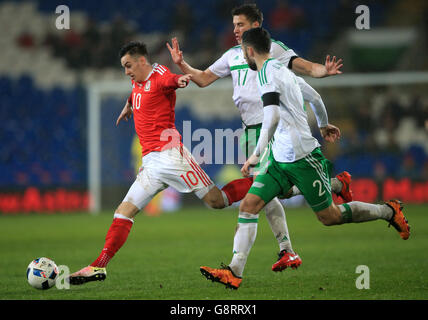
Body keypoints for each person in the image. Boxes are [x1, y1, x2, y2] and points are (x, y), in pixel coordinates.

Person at [199, 27, 410, 289]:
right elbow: (315, 96)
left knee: (329, 217)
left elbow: (273, 116)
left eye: (244, 53)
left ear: (250, 51)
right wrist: (323, 123)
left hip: (302, 157)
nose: (244, 57)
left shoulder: (266, 75)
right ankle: (234, 271)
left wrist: (254, 155)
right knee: (249, 206)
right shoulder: (281, 69)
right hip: (278, 157)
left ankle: (388, 211)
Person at [167, 3, 351, 272]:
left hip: (273, 128)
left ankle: (279, 252)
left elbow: (304, 67)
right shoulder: (232, 55)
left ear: (256, 25)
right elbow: (204, 79)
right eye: (233, 25)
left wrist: (322, 71)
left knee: (262, 193)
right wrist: (183, 64)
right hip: (250, 132)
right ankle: (332, 187)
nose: (235, 30)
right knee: (276, 191)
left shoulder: (272, 49)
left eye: (240, 25)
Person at [68, 41, 250, 285]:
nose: (127, 72)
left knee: (217, 201)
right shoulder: (137, 81)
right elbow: (136, 91)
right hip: (151, 164)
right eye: (124, 67)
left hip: (172, 156)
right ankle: (98, 266)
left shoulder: (160, 75)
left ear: (143, 61)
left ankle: (264, 183)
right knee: (124, 212)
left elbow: (171, 80)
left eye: (129, 65)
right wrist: (128, 106)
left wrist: (181, 81)